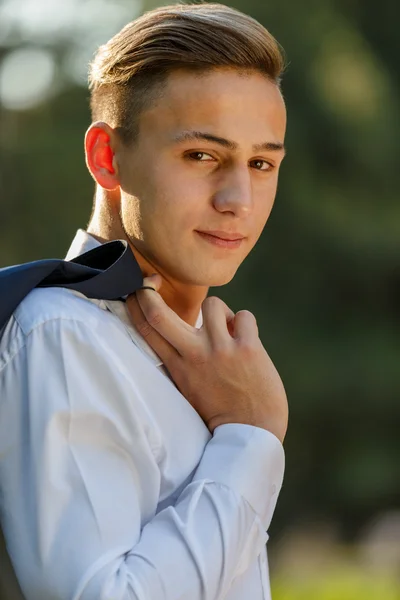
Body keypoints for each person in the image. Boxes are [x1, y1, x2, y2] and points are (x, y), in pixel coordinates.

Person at [0, 3, 288, 599]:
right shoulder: (60, 332)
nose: (238, 198)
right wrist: (252, 436)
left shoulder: (207, 370)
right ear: (107, 157)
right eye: (202, 156)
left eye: (261, 163)